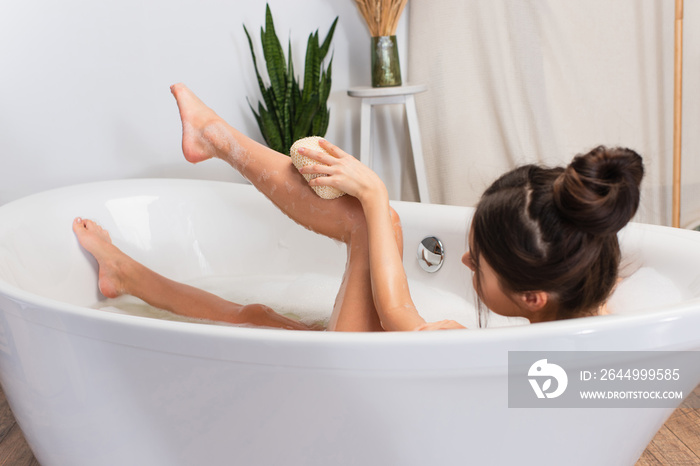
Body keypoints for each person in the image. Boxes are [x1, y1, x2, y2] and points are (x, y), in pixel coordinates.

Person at [73, 83, 644, 332]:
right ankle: (127, 272)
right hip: (370, 369)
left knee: (370, 222)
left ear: (533, 296)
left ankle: (217, 137)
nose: (465, 266)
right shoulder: (584, 308)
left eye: (479, 265)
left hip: (354, 380)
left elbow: (400, 319)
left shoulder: (522, 357)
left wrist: (374, 194)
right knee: (259, 320)